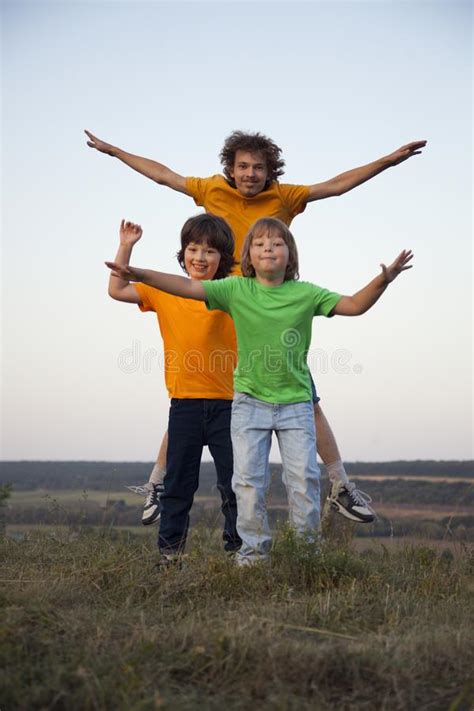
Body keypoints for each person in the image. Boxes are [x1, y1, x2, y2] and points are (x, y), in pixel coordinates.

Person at [87, 128, 426, 523]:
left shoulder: (284, 197)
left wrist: (386, 161)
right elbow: (164, 175)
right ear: (230, 169)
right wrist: (114, 151)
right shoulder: (211, 190)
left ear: (270, 171)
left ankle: (339, 484)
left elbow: (335, 186)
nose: (250, 174)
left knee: (301, 393)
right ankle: (160, 481)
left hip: (262, 301)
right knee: (191, 394)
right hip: (220, 294)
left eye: (258, 168)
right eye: (243, 166)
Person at [106, 217, 413, 565]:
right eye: (260, 244)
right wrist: (135, 264)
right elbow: (160, 287)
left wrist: (383, 280)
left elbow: (353, 305)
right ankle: (212, 554)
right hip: (219, 403)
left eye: (277, 243)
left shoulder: (273, 292)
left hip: (264, 403)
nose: (268, 248)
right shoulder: (211, 290)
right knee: (215, 484)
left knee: (273, 483)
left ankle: (276, 552)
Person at [108, 214, 241, 563]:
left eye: (210, 251)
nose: (200, 256)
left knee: (235, 485)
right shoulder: (164, 289)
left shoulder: (234, 290)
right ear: (183, 254)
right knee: (179, 485)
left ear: (223, 259)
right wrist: (125, 247)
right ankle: (170, 555)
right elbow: (117, 289)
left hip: (231, 405)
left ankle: (239, 551)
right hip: (184, 406)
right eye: (193, 248)